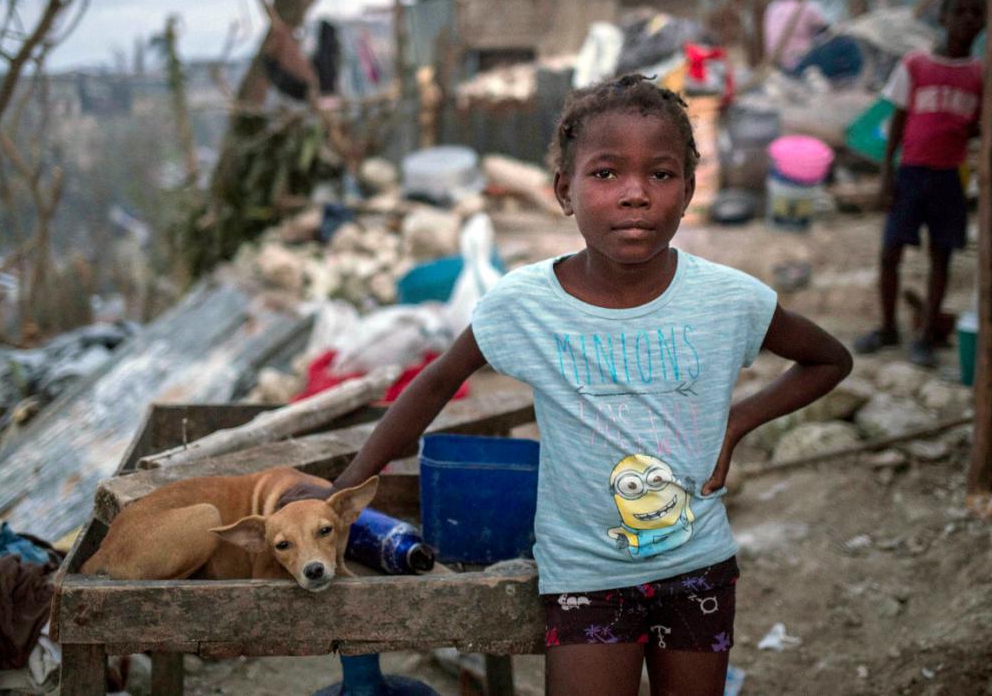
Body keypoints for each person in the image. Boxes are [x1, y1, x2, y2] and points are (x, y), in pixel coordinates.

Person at [286, 75, 853, 696]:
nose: (635, 195)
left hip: (700, 571)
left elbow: (829, 360)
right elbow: (435, 383)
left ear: (688, 191)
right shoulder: (526, 305)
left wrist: (737, 422)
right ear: (564, 190)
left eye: (661, 175)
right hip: (585, 575)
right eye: (606, 173)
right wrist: (343, 493)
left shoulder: (729, 299)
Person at [855, 0, 989, 368]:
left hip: (951, 176)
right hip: (911, 173)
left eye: (975, 12)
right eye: (959, 11)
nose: (967, 19)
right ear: (943, 18)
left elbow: (986, 124)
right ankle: (887, 327)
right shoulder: (916, 65)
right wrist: (886, 177)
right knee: (890, 252)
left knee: (941, 256)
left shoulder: (981, 74)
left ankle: (927, 333)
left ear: (984, 23)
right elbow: (897, 122)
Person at [762, 0, 829, 71]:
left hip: (776, 61)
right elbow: (826, 32)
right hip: (799, 62)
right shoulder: (805, 7)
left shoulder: (773, 7)